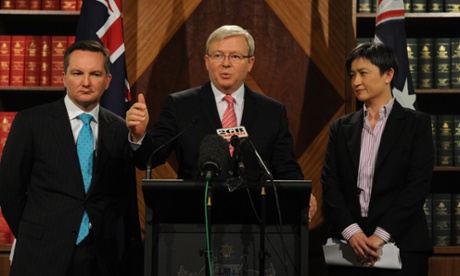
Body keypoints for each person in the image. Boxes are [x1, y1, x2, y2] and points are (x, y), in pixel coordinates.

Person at [126, 25, 316, 219]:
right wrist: (139, 136)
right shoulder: (181, 105)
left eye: (235, 56)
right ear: (207, 61)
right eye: (218, 55)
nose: (226, 63)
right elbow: (149, 158)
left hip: (253, 221)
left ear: (250, 63)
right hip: (195, 218)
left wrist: (301, 195)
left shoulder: (272, 111)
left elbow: (286, 168)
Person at [0, 40, 140, 276]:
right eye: (77, 73)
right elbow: (9, 189)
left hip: (98, 255)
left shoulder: (118, 128)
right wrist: (34, 232)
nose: (86, 82)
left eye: (95, 74)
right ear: (64, 77)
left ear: (107, 80)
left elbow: (121, 195)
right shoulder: (31, 121)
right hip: (39, 253)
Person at [321, 42, 434, 275]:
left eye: (363, 73)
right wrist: (353, 232)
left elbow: (417, 186)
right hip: (347, 247)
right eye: (352, 75)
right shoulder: (341, 127)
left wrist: (380, 236)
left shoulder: (416, 125)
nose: (355, 82)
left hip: (402, 245)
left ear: (388, 74)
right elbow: (330, 185)